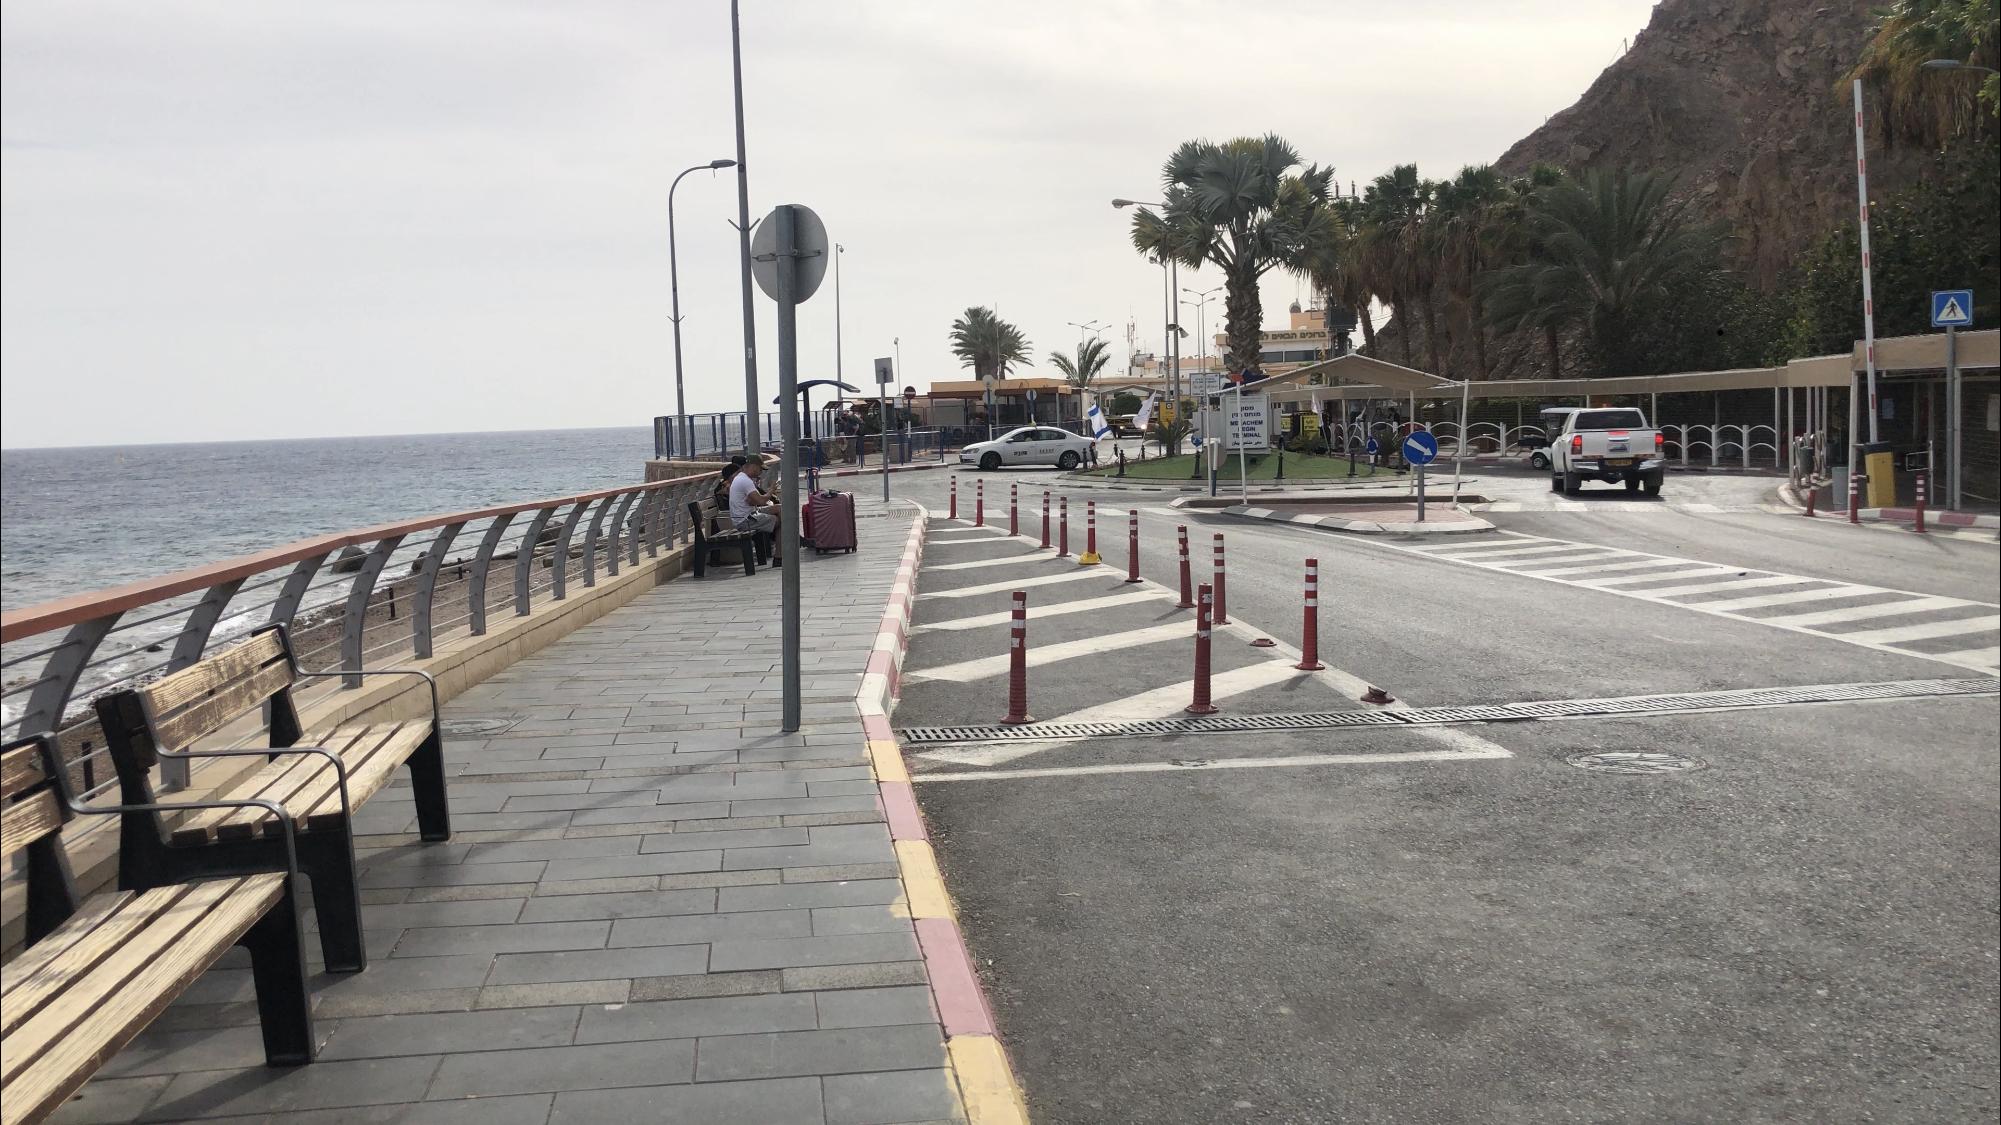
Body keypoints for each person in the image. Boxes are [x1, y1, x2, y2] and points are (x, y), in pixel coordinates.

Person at [728, 454, 782, 566]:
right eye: (760, 469)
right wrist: (771, 490)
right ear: (753, 466)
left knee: (780, 509)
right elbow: (761, 501)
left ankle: (781, 553)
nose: (761, 472)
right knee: (781, 520)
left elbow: (751, 501)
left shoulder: (742, 478)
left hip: (749, 514)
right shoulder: (745, 481)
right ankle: (779, 556)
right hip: (745, 521)